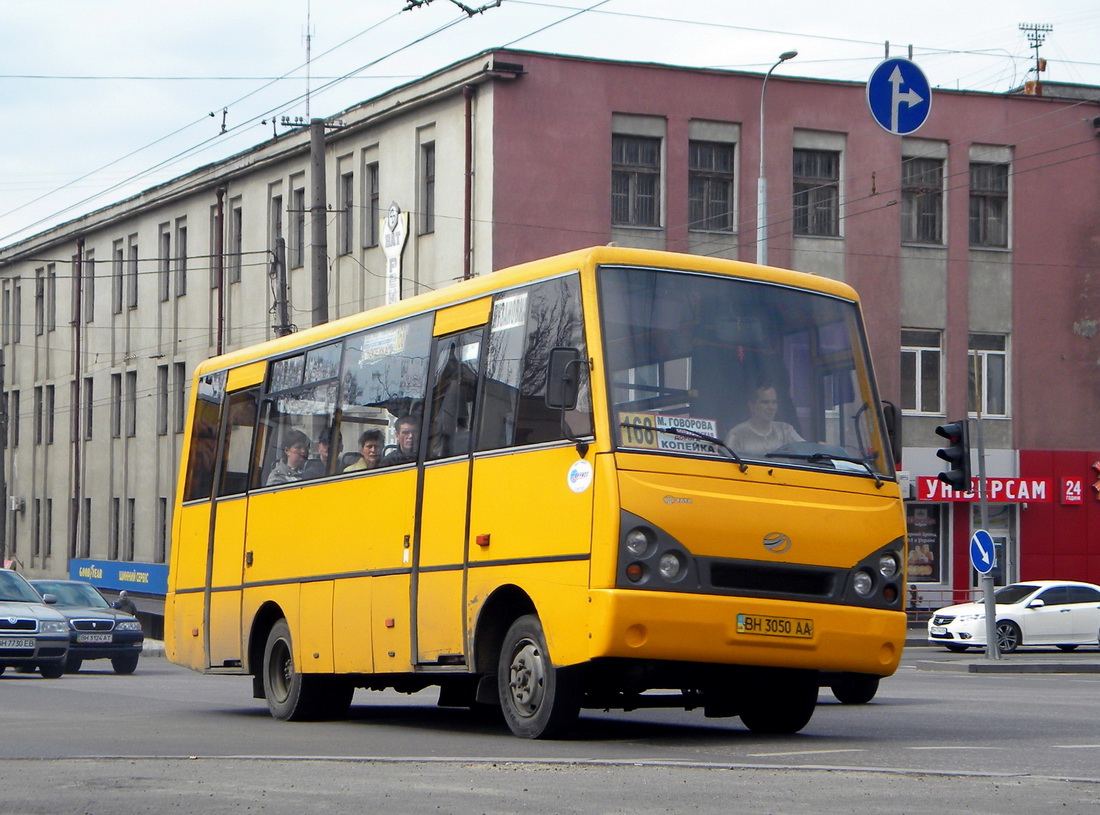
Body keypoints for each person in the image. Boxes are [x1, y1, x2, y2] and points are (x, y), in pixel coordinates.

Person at [725, 383, 802, 456]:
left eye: (774, 402)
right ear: (751, 405)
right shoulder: (737, 434)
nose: (771, 407)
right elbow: (727, 465)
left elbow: (807, 453)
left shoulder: (785, 430)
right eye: (765, 402)